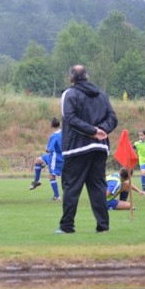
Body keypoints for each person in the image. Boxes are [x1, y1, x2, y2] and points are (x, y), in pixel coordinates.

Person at [57, 65, 118, 234]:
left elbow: (70, 118)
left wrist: (92, 131)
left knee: (71, 187)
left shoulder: (68, 94)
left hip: (76, 148)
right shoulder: (102, 95)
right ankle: (103, 227)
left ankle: (67, 227)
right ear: (87, 76)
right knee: (98, 187)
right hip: (99, 148)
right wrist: (101, 130)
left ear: (71, 78)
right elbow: (113, 118)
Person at [29, 117, 63, 201]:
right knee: (38, 160)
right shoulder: (64, 132)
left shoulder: (54, 136)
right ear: (59, 124)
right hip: (58, 156)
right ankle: (36, 181)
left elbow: (49, 150)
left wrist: (46, 148)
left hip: (56, 158)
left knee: (52, 176)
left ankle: (57, 197)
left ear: (51, 125)